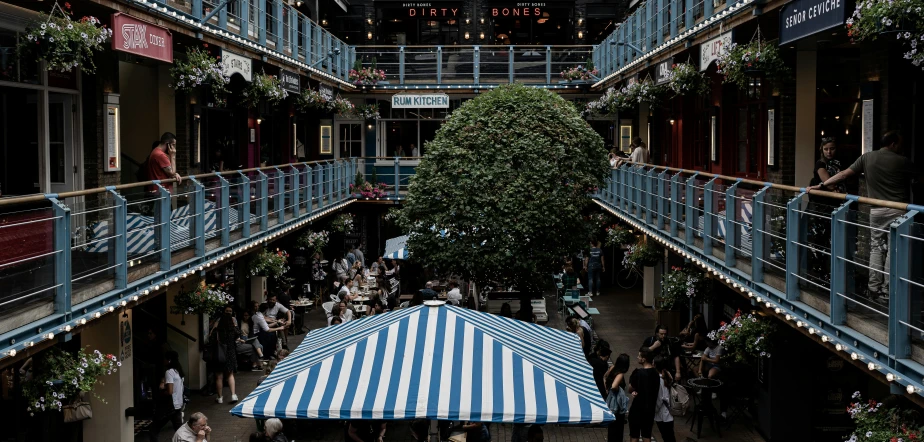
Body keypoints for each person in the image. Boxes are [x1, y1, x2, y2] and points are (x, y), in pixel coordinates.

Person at [809, 131, 923, 301]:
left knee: (876, 248)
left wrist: (821, 185)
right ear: (893, 144)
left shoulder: (867, 157)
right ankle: (887, 291)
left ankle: (873, 288)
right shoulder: (903, 161)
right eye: (899, 144)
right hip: (898, 210)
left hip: (875, 211)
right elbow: (919, 178)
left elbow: (843, 174)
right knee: (894, 250)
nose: (901, 147)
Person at [149, 351, 185, 442]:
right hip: (178, 404)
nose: (163, 361)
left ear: (169, 360)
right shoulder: (179, 371)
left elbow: (170, 391)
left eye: (164, 359)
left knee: (154, 429)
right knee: (180, 431)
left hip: (169, 406)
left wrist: (160, 392)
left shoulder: (169, 372)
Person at [627, 347, 659, 442]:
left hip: (637, 408)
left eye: (639, 356)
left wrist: (634, 390)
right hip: (650, 408)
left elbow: (630, 389)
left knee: (634, 435)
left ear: (644, 359)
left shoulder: (638, 373)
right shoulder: (655, 373)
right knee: (647, 435)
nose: (637, 357)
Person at [209, 306, 239, 404]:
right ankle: (233, 395)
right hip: (230, 353)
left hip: (219, 354)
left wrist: (214, 327)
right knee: (230, 374)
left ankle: (220, 397)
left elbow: (210, 338)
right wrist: (234, 326)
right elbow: (238, 335)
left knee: (219, 376)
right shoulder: (233, 330)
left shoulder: (218, 331)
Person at [604, 354, 631, 442]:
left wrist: (607, 390)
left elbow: (604, 377)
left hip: (610, 401)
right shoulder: (620, 374)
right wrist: (619, 391)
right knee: (618, 429)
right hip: (617, 405)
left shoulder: (612, 368)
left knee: (611, 428)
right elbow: (614, 386)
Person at [652, 355, 677, 442]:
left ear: (654, 365)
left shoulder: (659, 379)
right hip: (667, 413)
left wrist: (655, 409)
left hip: (663, 414)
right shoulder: (667, 375)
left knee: (667, 437)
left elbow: (661, 398)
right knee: (669, 436)